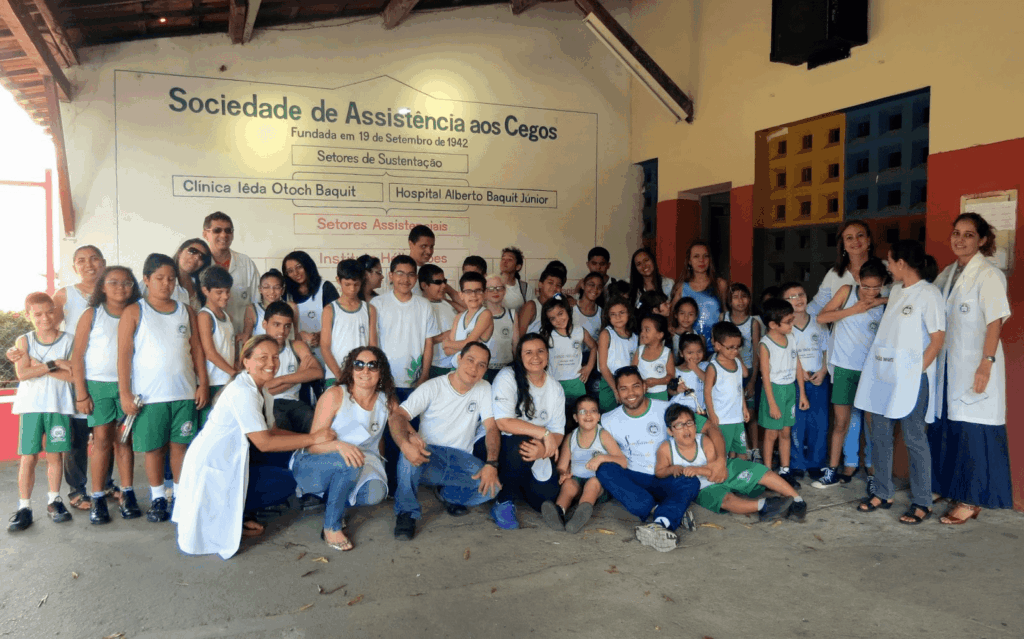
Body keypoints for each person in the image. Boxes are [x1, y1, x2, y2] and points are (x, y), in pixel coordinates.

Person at [173, 336, 336, 559]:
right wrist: (314, 439)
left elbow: (273, 431)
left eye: (275, 357)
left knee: (289, 456)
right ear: (246, 362)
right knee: (286, 482)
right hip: (213, 466)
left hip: (233, 457)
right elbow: (265, 442)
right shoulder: (243, 391)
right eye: (263, 358)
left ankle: (242, 511)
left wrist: (308, 437)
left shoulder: (262, 388)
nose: (271, 362)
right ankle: (239, 514)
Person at [930, 213, 1013, 524]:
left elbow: (994, 321)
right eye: (956, 233)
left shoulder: (988, 274)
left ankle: (972, 498)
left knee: (974, 432)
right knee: (948, 428)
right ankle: (946, 486)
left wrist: (986, 363)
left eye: (967, 235)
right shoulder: (949, 273)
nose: (959, 240)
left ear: (982, 240)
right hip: (948, 365)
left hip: (975, 364)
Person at [854, 240, 944, 525]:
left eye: (890, 262)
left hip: (913, 378)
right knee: (879, 433)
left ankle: (922, 501)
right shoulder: (895, 292)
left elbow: (937, 340)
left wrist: (916, 373)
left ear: (902, 263)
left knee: (914, 438)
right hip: (885, 374)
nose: (888, 268)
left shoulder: (929, 294)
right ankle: (883, 492)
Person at [117, 254, 209, 523]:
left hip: (184, 393)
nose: (166, 284)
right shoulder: (135, 311)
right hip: (149, 396)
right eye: (159, 278)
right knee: (154, 450)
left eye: (171, 279)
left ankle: (179, 496)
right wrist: (125, 393)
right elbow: (123, 355)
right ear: (146, 280)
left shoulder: (185, 310)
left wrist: (202, 383)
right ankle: (158, 497)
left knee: (180, 446)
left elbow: (197, 351)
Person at [389, 342, 501, 541]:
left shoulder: (484, 388)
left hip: (461, 459)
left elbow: (491, 427)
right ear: (458, 359)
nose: (474, 368)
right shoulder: (433, 386)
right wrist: (406, 444)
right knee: (408, 453)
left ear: (485, 370)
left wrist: (492, 463)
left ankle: (448, 494)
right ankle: (406, 513)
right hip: (429, 456)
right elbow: (397, 416)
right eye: (470, 360)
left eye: (481, 365)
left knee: (493, 488)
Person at [291, 346, 397, 551]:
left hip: (356, 461)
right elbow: (313, 446)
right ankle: (331, 526)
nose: (365, 371)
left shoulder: (387, 400)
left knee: (375, 492)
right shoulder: (335, 395)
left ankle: (336, 500)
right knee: (348, 462)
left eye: (372, 366)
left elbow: (387, 435)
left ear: (381, 371)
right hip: (313, 464)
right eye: (359, 365)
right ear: (351, 369)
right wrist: (339, 445)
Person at [595, 367, 700, 552]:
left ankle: (660, 522)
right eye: (624, 388)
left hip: (664, 475)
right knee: (605, 470)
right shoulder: (608, 420)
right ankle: (663, 513)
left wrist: (717, 463)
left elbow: (706, 426)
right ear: (617, 392)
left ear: (644, 387)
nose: (630, 393)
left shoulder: (666, 408)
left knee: (690, 482)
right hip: (633, 477)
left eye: (635, 386)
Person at [71, 266, 144, 524]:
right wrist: (82, 393)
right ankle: (99, 496)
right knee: (102, 440)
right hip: (99, 386)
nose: (120, 287)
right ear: (102, 286)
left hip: (130, 386)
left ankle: (127, 492)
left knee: (124, 440)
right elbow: (77, 356)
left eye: (126, 283)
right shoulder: (92, 314)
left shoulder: (139, 312)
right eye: (113, 282)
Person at [657, 404, 805, 523]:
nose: (686, 428)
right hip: (703, 488)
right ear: (670, 431)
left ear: (696, 426)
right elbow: (660, 471)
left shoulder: (704, 441)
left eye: (689, 423)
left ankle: (798, 500)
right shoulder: (666, 448)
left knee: (759, 471)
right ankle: (766, 505)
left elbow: (715, 470)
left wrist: (697, 470)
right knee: (726, 501)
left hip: (720, 470)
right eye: (679, 425)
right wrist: (672, 469)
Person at [812, 258, 888, 488]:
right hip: (845, 367)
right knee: (841, 423)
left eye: (876, 288)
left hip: (871, 371)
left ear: (883, 283)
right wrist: (853, 309)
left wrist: (881, 300)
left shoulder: (885, 302)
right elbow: (822, 317)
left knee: (871, 424)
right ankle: (832, 471)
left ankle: (874, 474)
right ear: (858, 281)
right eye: (866, 287)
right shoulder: (847, 291)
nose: (870, 292)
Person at [7, 293, 75, 531]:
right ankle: (24, 507)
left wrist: (38, 366)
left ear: (55, 310)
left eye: (49, 311)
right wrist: (53, 363)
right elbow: (22, 374)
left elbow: (73, 375)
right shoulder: (23, 341)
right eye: (37, 314)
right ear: (29, 316)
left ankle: (54, 500)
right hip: (31, 406)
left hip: (58, 405)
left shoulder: (69, 340)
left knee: (55, 456)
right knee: (28, 457)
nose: (45, 318)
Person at [371, 255, 439, 491]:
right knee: (390, 432)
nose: (405, 279)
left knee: (415, 433)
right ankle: (391, 482)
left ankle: (410, 480)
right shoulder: (378, 305)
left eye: (411, 274)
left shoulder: (424, 305)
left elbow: (429, 343)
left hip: (415, 382)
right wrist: (381, 381)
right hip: (385, 382)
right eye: (400, 273)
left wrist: (424, 377)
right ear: (390, 276)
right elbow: (374, 346)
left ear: (416, 278)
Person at [55, 245, 112, 511]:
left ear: (103, 262)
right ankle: (77, 489)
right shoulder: (66, 295)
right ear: (74, 266)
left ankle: (107, 483)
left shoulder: (113, 292)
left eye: (94, 259)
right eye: (81, 260)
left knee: (106, 434)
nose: (89, 264)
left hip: (107, 376)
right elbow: (47, 330)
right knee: (78, 436)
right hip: (77, 376)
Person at [490, 334, 567, 529]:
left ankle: (518, 483)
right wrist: (543, 434)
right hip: (506, 444)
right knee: (521, 444)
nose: (535, 356)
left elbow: (558, 431)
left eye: (540, 351)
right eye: (528, 352)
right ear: (520, 356)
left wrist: (543, 449)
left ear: (548, 355)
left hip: (538, 448)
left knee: (545, 499)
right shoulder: (507, 377)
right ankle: (504, 500)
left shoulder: (555, 388)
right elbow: (504, 422)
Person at [542, 395, 628, 533]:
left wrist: (601, 458)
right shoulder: (571, 437)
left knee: (593, 483)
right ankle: (558, 512)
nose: (588, 414)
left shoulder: (603, 435)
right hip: (577, 481)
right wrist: (564, 474)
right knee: (568, 485)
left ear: (599, 416)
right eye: (582, 411)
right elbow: (562, 466)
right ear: (576, 417)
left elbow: (623, 461)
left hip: (599, 487)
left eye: (593, 411)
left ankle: (580, 514)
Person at [758, 298, 809, 487]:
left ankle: (785, 470)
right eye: (788, 322)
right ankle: (767, 472)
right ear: (773, 325)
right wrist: (771, 403)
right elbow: (765, 377)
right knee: (772, 434)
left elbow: (797, 365)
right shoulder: (765, 344)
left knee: (786, 432)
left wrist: (802, 393)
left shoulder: (791, 338)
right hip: (774, 391)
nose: (792, 324)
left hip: (789, 390)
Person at [782, 282, 829, 480]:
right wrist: (796, 374)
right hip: (794, 381)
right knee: (796, 424)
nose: (798, 299)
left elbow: (828, 349)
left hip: (818, 379)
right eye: (791, 297)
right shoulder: (786, 327)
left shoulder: (819, 321)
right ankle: (797, 464)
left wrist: (824, 370)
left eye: (800, 294)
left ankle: (816, 464)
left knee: (819, 423)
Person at [261, 301, 323, 434]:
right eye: (276, 325)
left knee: (319, 427)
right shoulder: (256, 349)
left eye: (287, 326)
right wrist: (299, 375)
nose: (282, 331)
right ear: (265, 324)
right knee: (282, 429)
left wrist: (280, 380)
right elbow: (263, 391)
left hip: (294, 402)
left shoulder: (297, 346)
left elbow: (317, 372)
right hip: (269, 404)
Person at [320, 259, 377, 386]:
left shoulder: (369, 310)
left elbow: (373, 347)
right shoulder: (330, 310)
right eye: (347, 284)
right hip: (335, 377)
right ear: (338, 280)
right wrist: (341, 377)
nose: (352, 289)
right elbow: (325, 347)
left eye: (356, 284)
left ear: (362, 282)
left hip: (362, 376)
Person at [201, 212, 259, 336]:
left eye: (228, 230)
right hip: (211, 339)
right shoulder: (199, 264)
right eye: (217, 230)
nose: (224, 235)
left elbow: (257, 302)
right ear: (205, 234)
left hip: (244, 338)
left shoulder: (246, 263)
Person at [282, 250, 339, 372]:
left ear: (308, 265)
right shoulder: (286, 295)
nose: (296, 273)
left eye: (299, 267)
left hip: (327, 353)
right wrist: (299, 336)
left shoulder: (325, 288)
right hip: (298, 358)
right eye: (290, 271)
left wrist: (319, 335)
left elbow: (338, 321)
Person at [703, 322, 750, 460]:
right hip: (722, 419)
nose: (735, 351)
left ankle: (739, 477)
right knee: (722, 453)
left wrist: (744, 408)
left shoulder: (737, 363)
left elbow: (739, 386)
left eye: (738, 347)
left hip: (737, 417)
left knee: (741, 451)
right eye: (730, 348)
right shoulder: (714, 367)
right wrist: (711, 414)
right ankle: (723, 478)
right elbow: (707, 392)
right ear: (717, 346)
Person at [197, 266, 237, 427]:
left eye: (227, 291)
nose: (225, 296)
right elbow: (210, 353)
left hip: (227, 380)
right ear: (205, 290)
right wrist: (234, 372)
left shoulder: (227, 316)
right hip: (213, 383)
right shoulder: (205, 316)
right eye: (219, 292)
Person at [724, 283, 761, 457]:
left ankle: (755, 451)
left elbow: (756, 353)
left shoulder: (753, 322)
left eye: (744, 296)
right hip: (728, 373)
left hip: (748, 372)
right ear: (729, 300)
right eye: (735, 296)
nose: (740, 300)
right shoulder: (723, 317)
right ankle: (740, 450)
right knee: (735, 413)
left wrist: (753, 380)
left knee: (751, 414)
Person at [540, 296, 597, 408]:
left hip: (577, 383)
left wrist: (589, 367)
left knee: (578, 414)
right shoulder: (547, 335)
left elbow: (594, 347)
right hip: (554, 383)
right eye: (552, 318)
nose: (558, 320)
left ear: (567, 310)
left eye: (560, 313)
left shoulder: (579, 331)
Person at [670, 241, 727, 350]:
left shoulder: (720, 284)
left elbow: (725, 314)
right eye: (696, 256)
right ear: (689, 261)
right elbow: (672, 316)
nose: (702, 260)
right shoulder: (681, 287)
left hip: (716, 345)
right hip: (689, 348)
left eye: (705, 256)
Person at [442, 272, 494, 368]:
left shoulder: (485, 314)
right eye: (468, 291)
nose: (473, 295)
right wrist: (463, 344)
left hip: (476, 370)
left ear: (485, 293)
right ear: (461, 295)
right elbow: (447, 351)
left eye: (478, 291)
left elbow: (468, 344)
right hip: (457, 370)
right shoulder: (458, 317)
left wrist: (448, 343)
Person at [407, 225, 465, 310]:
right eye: (423, 246)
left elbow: (465, 304)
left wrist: (445, 301)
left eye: (431, 246)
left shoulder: (430, 272)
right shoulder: (400, 272)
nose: (429, 251)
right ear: (411, 244)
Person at [596, 297, 638, 412]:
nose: (618, 317)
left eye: (622, 313)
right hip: (609, 382)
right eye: (613, 314)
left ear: (629, 313)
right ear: (608, 317)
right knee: (608, 416)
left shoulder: (635, 336)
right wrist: (616, 389)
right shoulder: (606, 334)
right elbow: (603, 366)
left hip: (629, 383)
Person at [240, 269, 299, 343]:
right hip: (262, 353)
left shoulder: (291, 306)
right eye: (266, 287)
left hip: (286, 352)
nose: (272, 291)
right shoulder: (252, 309)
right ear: (260, 289)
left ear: (282, 290)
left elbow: (296, 334)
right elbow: (247, 338)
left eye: (276, 287)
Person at [420, 264, 458, 378]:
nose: (444, 286)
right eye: (438, 282)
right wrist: (448, 334)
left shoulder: (446, 303)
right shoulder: (421, 307)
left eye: (444, 281)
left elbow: (470, 311)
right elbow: (418, 341)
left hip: (456, 365)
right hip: (437, 367)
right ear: (424, 285)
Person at [516, 263, 567, 339]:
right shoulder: (531, 306)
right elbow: (519, 338)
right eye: (550, 283)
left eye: (558, 285)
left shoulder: (562, 308)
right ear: (540, 284)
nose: (554, 287)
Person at [668, 333, 709, 426]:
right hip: (680, 413)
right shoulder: (675, 370)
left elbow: (709, 381)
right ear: (681, 353)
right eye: (690, 353)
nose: (695, 356)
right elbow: (670, 390)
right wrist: (677, 390)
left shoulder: (705, 366)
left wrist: (695, 368)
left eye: (699, 351)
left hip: (700, 411)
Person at [632, 313, 674, 400]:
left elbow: (671, 376)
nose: (642, 333)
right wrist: (641, 384)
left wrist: (656, 381)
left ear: (660, 335)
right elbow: (632, 372)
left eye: (647, 330)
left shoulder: (666, 353)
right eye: (642, 330)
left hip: (660, 395)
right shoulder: (639, 351)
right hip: (641, 395)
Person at [484, 275, 515, 382]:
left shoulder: (512, 314)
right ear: (484, 292)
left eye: (499, 288)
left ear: (504, 291)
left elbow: (516, 346)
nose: (495, 292)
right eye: (490, 289)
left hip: (507, 371)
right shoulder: (478, 315)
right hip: (484, 371)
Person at [168, 238, 212, 311]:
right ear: (180, 252)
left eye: (202, 257)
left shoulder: (200, 288)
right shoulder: (159, 279)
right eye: (193, 251)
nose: (196, 257)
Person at [498, 246, 529, 311]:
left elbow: (530, 310)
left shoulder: (525, 288)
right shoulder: (490, 283)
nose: (504, 262)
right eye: (503, 259)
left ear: (518, 267)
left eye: (509, 260)